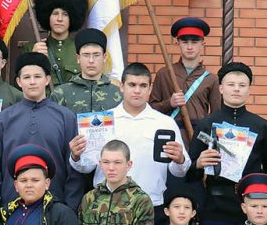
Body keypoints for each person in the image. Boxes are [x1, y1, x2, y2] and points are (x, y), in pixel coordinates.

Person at [70, 62, 189, 213]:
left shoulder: (165, 123)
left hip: (149, 203)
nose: (137, 91)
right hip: (107, 203)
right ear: (121, 86)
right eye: (132, 85)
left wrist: (180, 160)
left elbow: (181, 171)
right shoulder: (102, 121)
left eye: (143, 86)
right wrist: (76, 155)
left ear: (150, 88)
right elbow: (86, 167)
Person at [186, 62, 267, 225]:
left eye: (242, 85)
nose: (236, 89)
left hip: (251, 209)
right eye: (231, 84)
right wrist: (198, 164)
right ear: (221, 88)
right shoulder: (207, 124)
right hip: (214, 210)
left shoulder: (262, 126)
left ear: (249, 89)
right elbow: (188, 173)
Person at [0, 53, 83, 210]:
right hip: (11, 205)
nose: (32, 82)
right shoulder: (4, 118)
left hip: (54, 206)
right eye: (26, 77)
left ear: (47, 79)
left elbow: (73, 167)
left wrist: (69, 209)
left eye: (37, 76)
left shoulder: (66, 117)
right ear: (19, 81)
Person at [149, 17, 220, 123]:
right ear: (177, 43)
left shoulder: (211, 79)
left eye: (194, 42)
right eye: (185, 42)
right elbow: (150, 110)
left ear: (203, 44)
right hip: (170, 132)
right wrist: (169, 103)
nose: (189, 47)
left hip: (197, 134)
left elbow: (217, 115)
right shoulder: (164, 73)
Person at [21, 0, 86, 86]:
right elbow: (19, 86)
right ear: (47, 16)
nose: (59, 19)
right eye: (55, 13)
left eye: (65, 14)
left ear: (72, 18)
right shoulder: (31, 48)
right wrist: (32, 58)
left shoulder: (81, 50)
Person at [49, 28, 122, 114]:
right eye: (86, 55)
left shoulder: (118, 93)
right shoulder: (61, 94)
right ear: (78, 58)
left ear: (104, 57)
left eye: (96, 55)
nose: (91, 60)